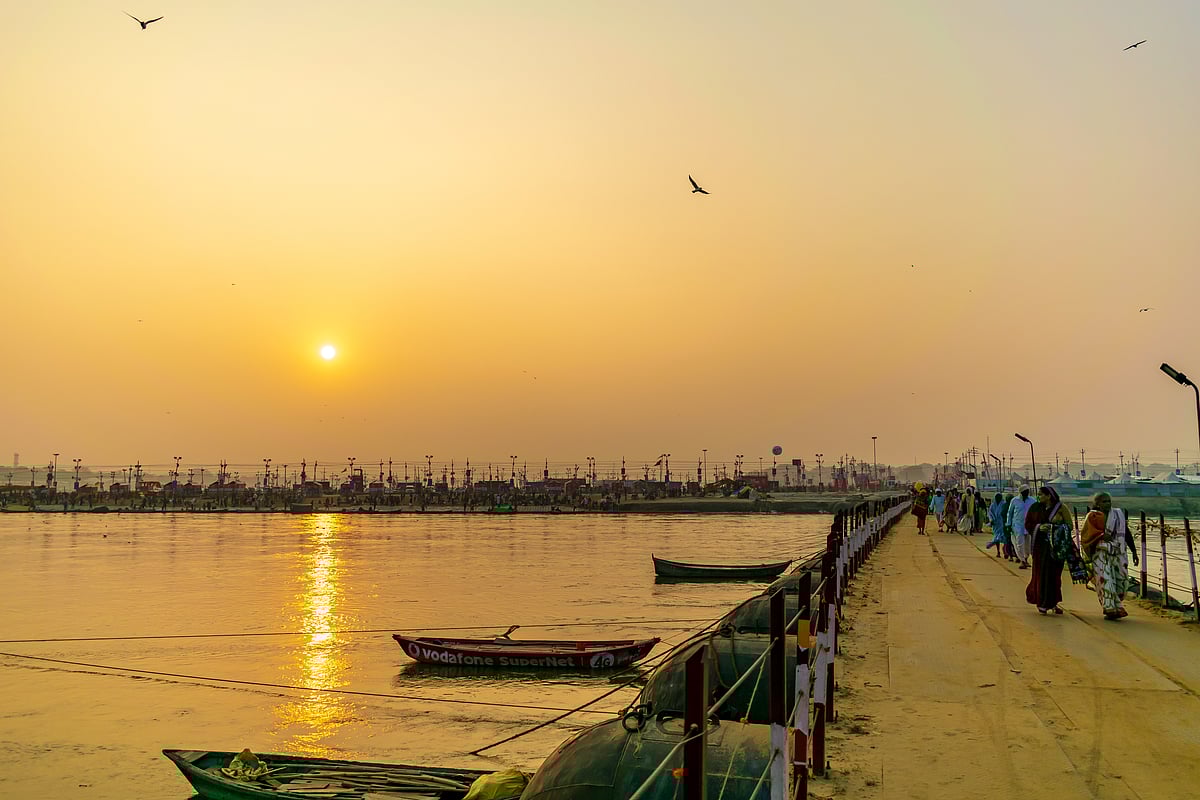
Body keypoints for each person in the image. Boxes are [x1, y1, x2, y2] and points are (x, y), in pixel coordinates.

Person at [1080, 492, 1138, 620]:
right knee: (1105, 580)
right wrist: (1101, 535)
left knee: (1122, 581)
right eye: (1104, 501)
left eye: (1109, 501)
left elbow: (1126, 532)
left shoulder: (1117, 514)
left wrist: (1134, 551)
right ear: (1097, 504)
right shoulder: (1092, 516)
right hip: (1100, 553)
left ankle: (1117, 604)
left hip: (1119, 552)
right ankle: (1110, 609)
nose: (1107, 504)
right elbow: (1085, 535)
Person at [1024, 486, 1072, 614]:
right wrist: (1039, 528)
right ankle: (1042, 603)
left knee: (1054, 576)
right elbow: (1028, 524)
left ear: (1049, 495)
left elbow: (1069, 526)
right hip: (1040, 547)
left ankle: (1053, 602)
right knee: (1040, 575)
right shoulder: (1035, 508)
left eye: (1041, 494)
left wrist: (1052, 528)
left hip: (1055, 548)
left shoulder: (1061, 508)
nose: (1039, 497)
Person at [1007, 485, 1036, 569]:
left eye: (1028, 491)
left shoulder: (1032, 501)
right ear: (1021, 492)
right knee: (1019, 544)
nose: (1027, 493)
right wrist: (1008, 524)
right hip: (1017, 525)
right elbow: (1010, 513)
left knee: (1028, 544)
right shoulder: (1014, 501)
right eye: (1025, 491)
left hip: (1029, 526)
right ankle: (1022, 560)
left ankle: (1026, 559)